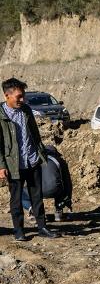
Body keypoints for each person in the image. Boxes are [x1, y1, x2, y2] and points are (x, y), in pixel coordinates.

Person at [0, 77, 58, 240]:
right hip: (14, 164)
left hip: (32, 160)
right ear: (7, 95)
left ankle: (42, 227)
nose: (22, 100)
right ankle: (19, 231)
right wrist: (1, 165)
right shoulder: (1, 115)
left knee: (37, 197)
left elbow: (35, 134)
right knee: (16, 200)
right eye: (18, 96)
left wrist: (41, 153)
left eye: (23, 96)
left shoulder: (26, 110)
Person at [23, 144, 72, 222]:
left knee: (21, 193)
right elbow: (67, 182)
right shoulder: (59, 160)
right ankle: (59, 211)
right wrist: (67, 201)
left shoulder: (34, 160)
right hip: (54, 189)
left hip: (37, 190)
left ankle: (33, 210)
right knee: (61, 186)